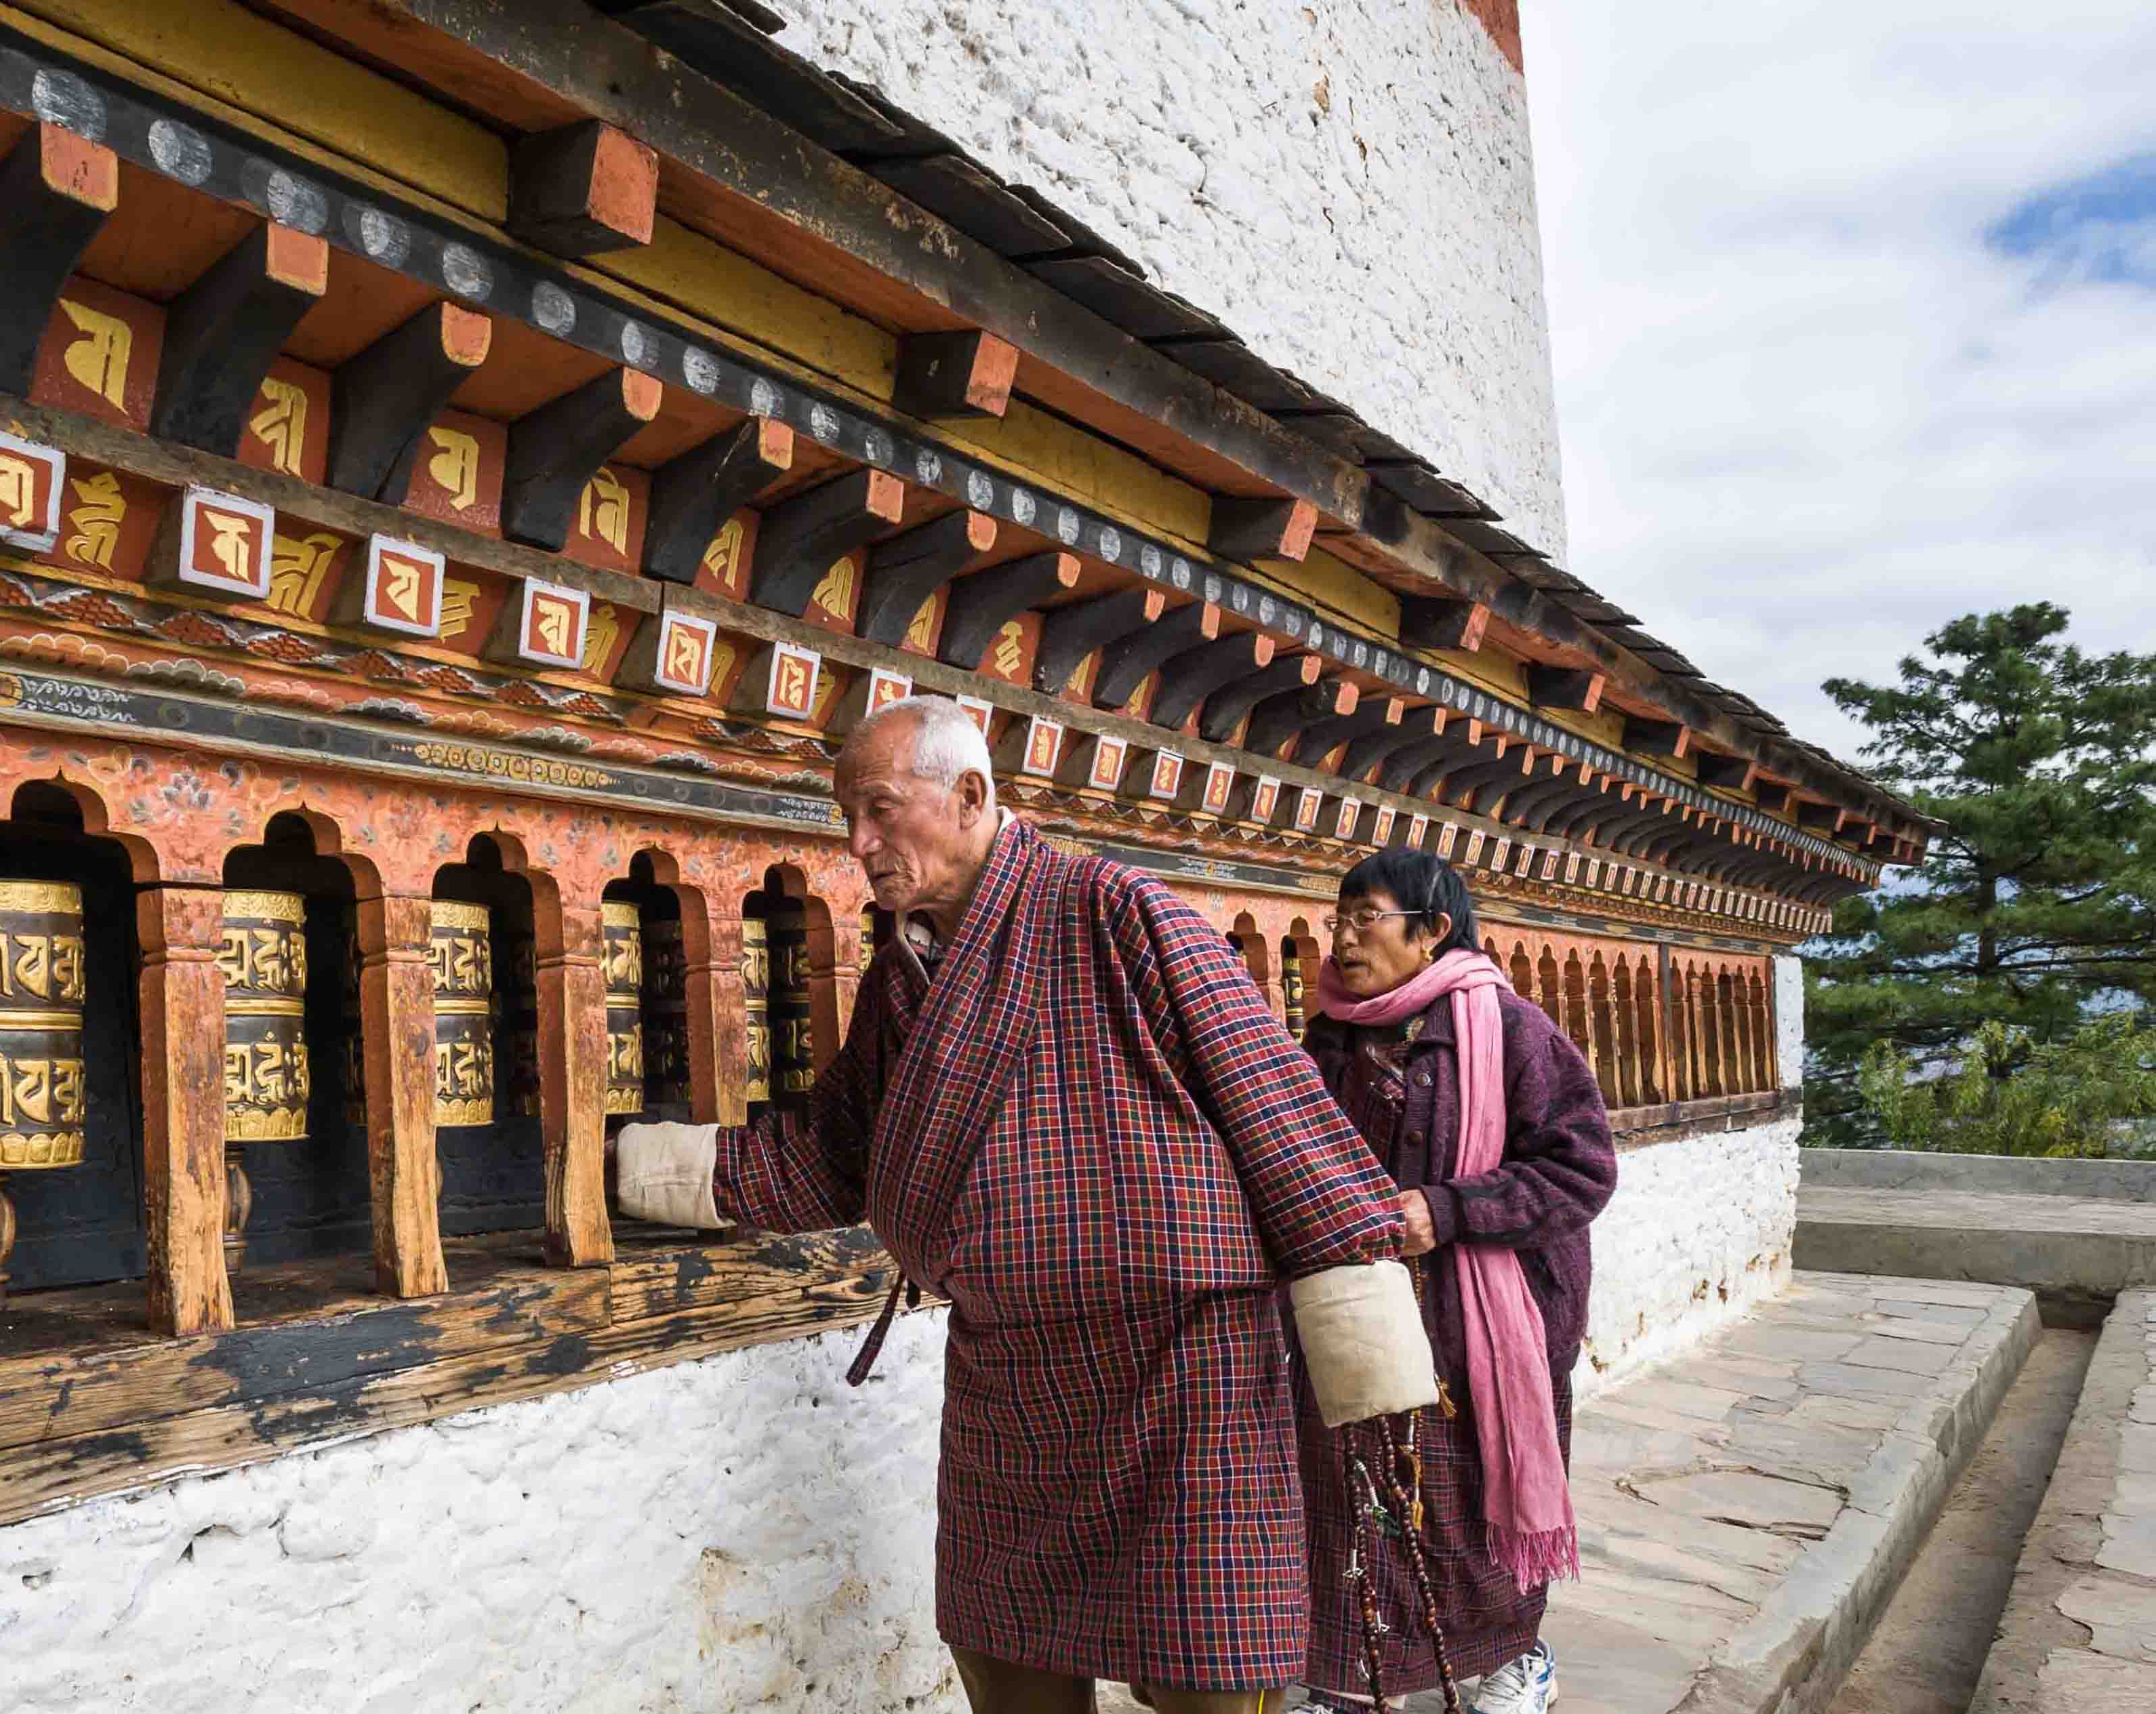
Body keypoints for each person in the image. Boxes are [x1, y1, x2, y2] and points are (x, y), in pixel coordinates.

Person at [611, 695, 1438, 1714]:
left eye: (878, 809)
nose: (859, 844)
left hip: (1179, 1374)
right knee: (1005, 1662)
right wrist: (635, 1167)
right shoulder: (903, 974)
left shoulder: (1119, 909)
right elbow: (828, 1156)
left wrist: (1370, 1362)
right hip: (1010, 1376)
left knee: (1208, 1675)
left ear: (968, 794)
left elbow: (1275, 1105)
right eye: (847, 819)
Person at [1294, 849, 1619, 1714]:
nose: (1345, 934)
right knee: (1357, 1495)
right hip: (1362, 1312)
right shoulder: (1331, 1034)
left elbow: (1582, 1171)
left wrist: (1449, 1209)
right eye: (1340, 915)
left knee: (1473, 1503)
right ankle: (1357, 1679)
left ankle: (1517, 1658)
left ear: (1432, 930)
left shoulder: (1512, 1032)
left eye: (1368, 915)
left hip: (1485, 1322)